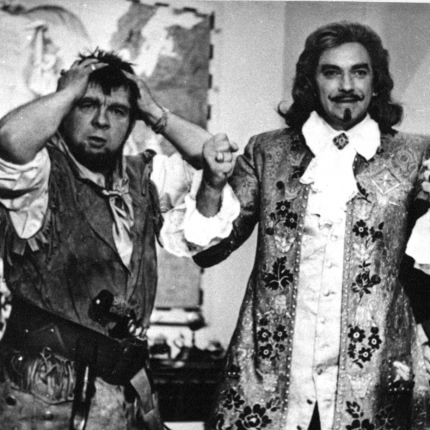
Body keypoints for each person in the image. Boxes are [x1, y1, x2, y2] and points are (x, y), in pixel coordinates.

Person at [175, 21, 430, 429]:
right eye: (331, 72)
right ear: (311, 81)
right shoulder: (267, 151)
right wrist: (213, 184)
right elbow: (208, 250)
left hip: (372, 388)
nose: (346, 85)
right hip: (270, 388)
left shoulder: (416, 156)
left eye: (359, 72)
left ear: (376, 81)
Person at [0, 49, 237, 429]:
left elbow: (211, 157)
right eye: (86, 105)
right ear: (65, 111)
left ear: (131, 121)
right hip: (41, 402)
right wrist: (67, 92)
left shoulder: (143, 178)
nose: (101, 121)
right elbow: (9, 141)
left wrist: (154, 111)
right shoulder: (40, 177)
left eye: (117, 111)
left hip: (123, 397)